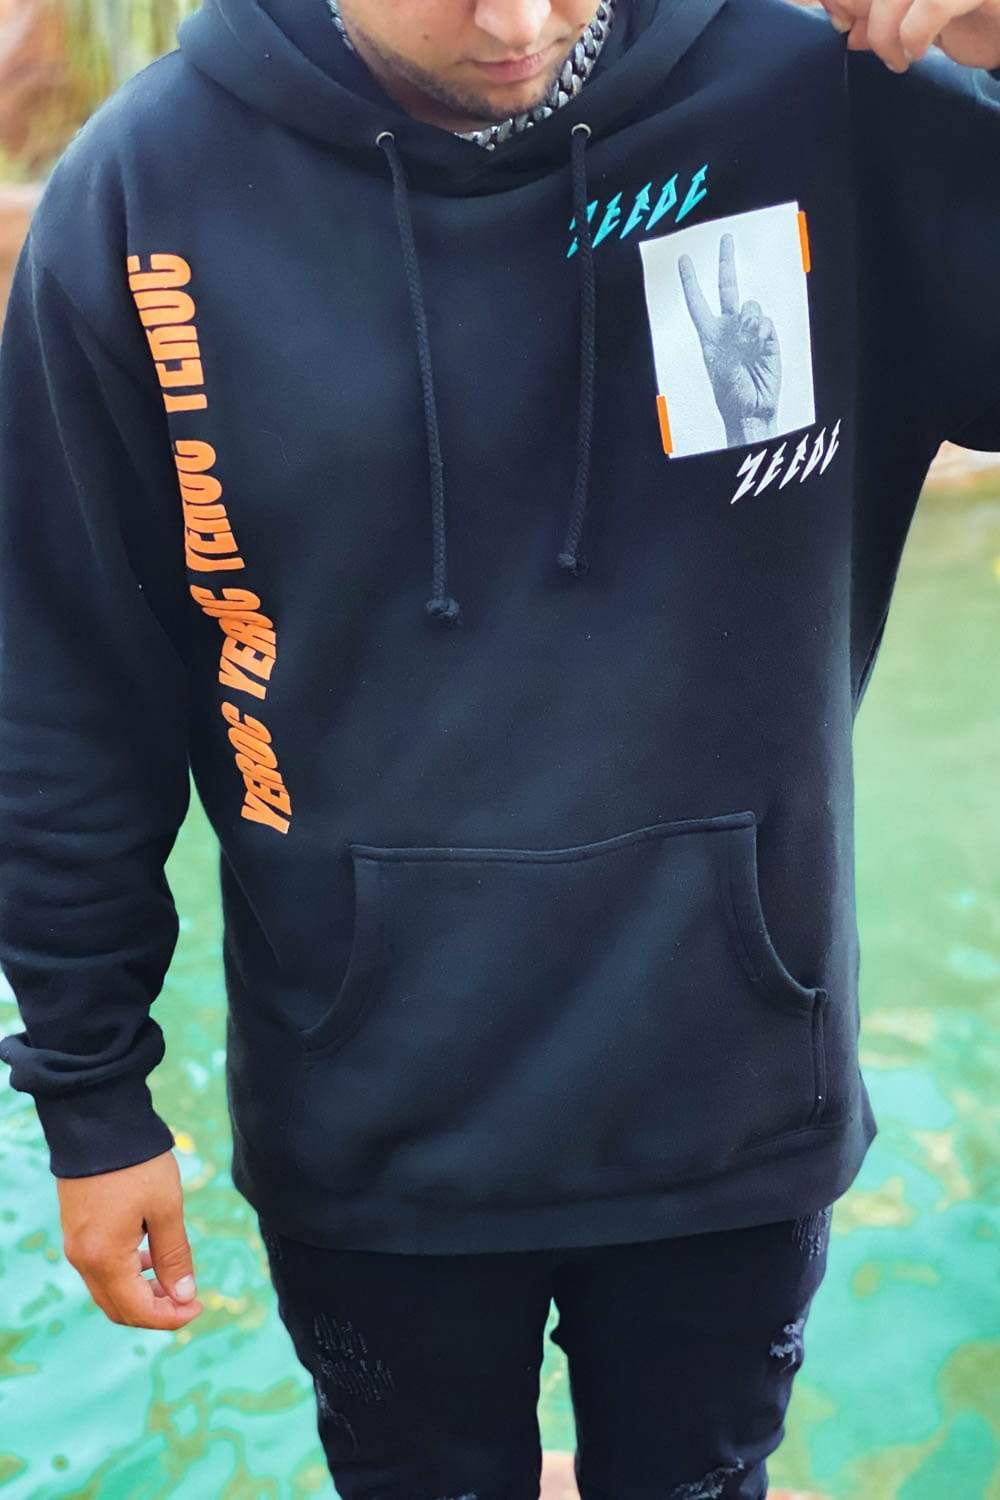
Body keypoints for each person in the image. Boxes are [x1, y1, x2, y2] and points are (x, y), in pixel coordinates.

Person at [0, 0, 996, 1493]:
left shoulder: (822, 102)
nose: (515, 19)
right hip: (370, 1135)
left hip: (732, 1104)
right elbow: (65, 682)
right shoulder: (143, 196)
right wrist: (91, 1090)